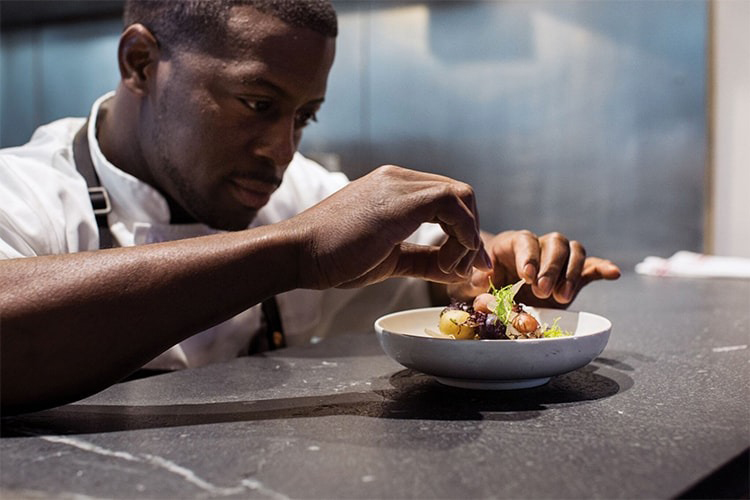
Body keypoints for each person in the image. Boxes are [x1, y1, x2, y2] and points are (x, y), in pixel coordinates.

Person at [0, 0, 620, 416]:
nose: (281, 150)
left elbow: (419, 292)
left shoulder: (301, 191)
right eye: (257, 103)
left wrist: (489, 280)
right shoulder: (24, 193)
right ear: (141, 63)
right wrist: (294, 252)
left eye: (304, 116)